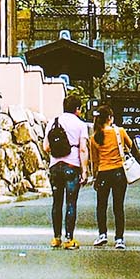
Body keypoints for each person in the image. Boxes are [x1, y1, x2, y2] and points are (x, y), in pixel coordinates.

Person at [87, 105, 137, 249]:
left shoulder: (94, 137)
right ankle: (119, 239)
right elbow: (130, 145)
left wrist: (95, 177)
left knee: (101, 206)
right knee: (118, 206)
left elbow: (94, 160)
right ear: (110, 118)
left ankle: (102, 234)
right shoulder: (119, 131)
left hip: (103, 173)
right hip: (119, 173)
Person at [47, 94, 89, 249]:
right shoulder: (80, 124)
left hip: (55, 166)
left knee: (56, 202)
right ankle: (69, 239)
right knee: (71, 202)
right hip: (72, 166)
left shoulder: (53, 122)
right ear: (77, 109)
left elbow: (46, 147)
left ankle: (56, 238)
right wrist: (84, 171)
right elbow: (83, 149)